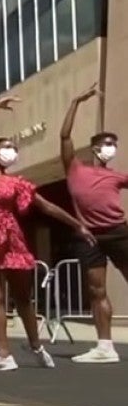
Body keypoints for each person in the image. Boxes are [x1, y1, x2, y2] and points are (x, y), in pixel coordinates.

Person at [0, 96, 95, 371]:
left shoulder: (17, 182)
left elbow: (47, 206)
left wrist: (77, 224)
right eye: (7, 147)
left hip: (10, 236)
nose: (12, 152)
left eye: (14, 149)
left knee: (23, 297)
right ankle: (3, 354)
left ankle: (36, 346)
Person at [61, 83, 128, 363]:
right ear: (95, 148)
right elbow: (64, 135)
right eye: (107, 144)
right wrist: (76, 101)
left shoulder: (117, 176)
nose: (111, 148)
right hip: (88, 236)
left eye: (115, 144)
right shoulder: (75, 167)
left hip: (118, 232)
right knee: (96, 290)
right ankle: (105, 347)